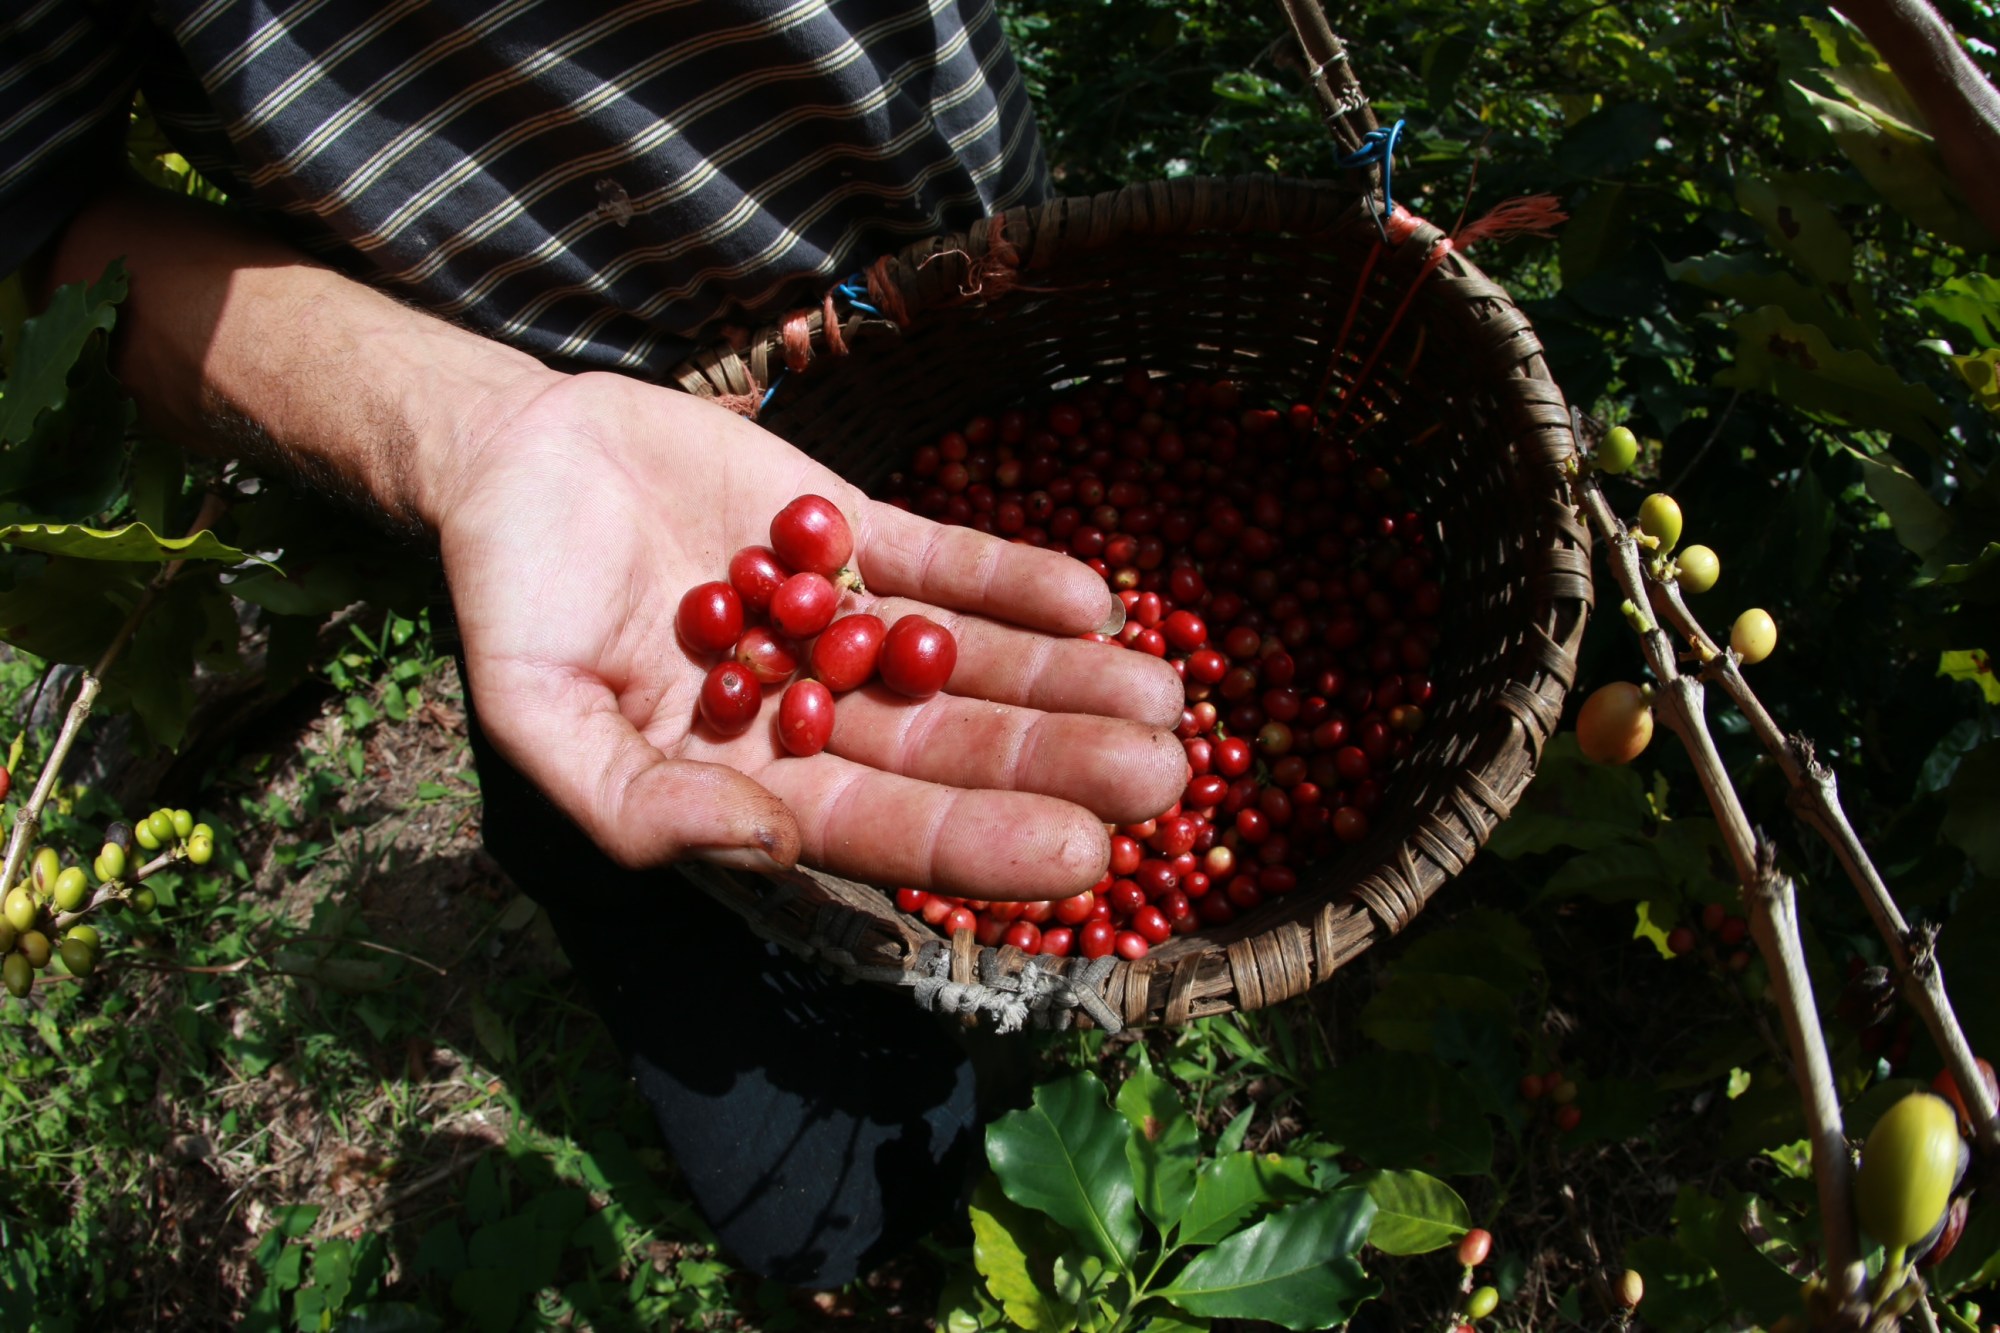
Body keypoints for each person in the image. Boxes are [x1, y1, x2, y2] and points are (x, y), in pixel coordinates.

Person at [1, 1, 1187, 1289]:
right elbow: (42, 212)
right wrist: (484, 436)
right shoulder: (704, 604)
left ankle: (977, 1100)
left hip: (964, 303)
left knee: (1002, 873)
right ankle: (875, 1214)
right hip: (573, 537)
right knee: (794, 1166)